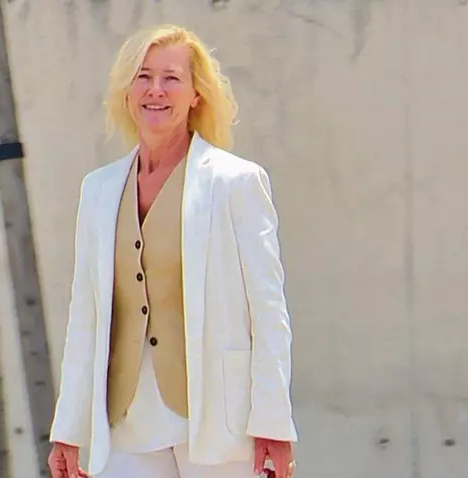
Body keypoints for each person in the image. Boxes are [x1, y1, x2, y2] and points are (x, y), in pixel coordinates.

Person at [48, 24, 298, 478]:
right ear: (127, 92)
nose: (156, 90)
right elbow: (85, 315)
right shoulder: (99, 190)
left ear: (196, 94)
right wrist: (68, 429)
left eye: (171, 78)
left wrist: (273, 424)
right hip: (125, 422)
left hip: (218, 419)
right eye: (143, 77)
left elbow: (268, 312)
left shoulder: (235, 183)